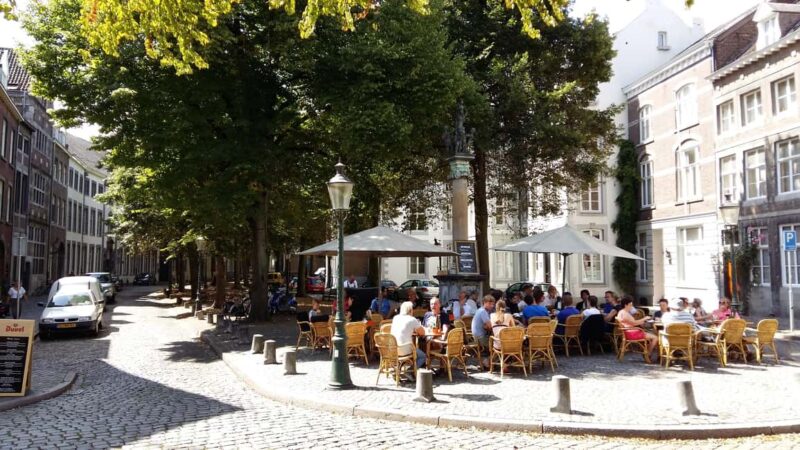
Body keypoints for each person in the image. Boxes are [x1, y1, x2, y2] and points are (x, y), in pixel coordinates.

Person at [616, 296, 658, 360]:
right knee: (655, 337)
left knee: (650, 335)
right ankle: (648, 354)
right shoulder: (625, 314)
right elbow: (634, 323)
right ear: (625, 305)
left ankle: (645, 351)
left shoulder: (621, 312)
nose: (631, 306)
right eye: (630, 305)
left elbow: (632, 323)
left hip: (628, 332)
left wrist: (641, 322)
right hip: (631, 333)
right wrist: (645, 318)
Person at [391, 301, 426, 369]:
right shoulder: (412, 319)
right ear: (410, 310)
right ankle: (410, 371)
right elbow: (422, 333)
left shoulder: (395, 318)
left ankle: (399, 369)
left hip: (393, 348)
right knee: (423, 356)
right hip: (405, 349)